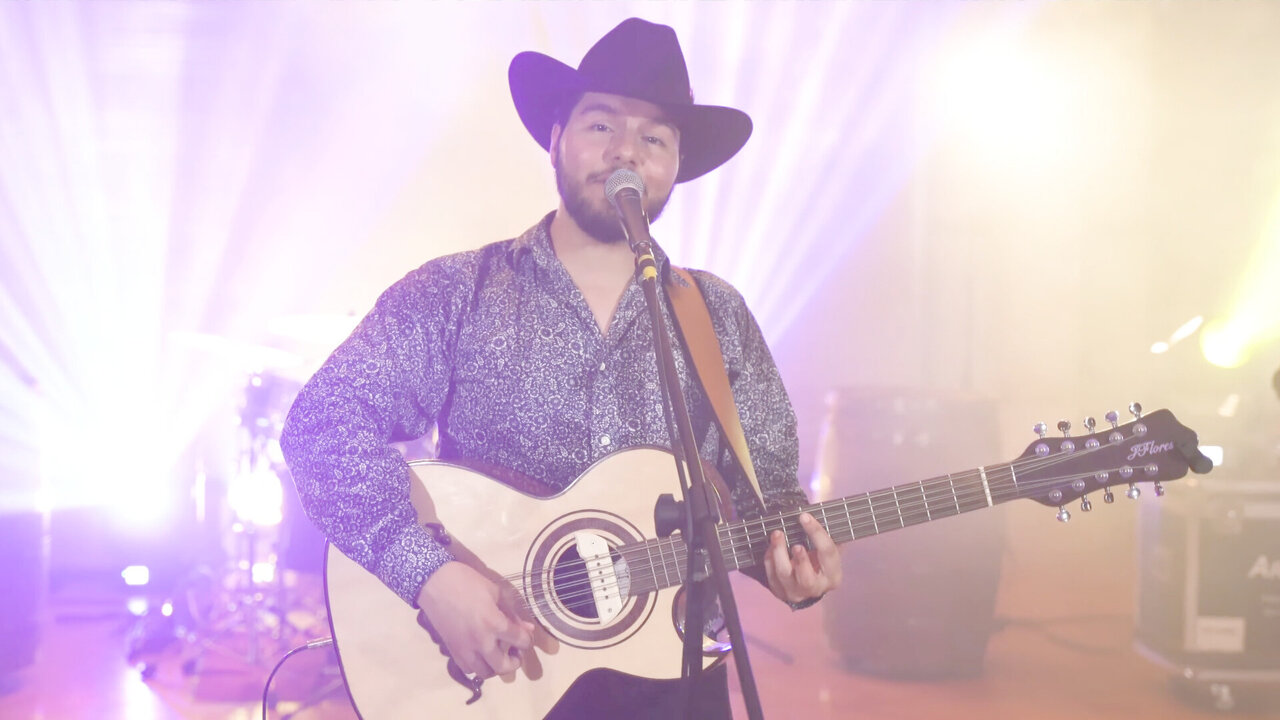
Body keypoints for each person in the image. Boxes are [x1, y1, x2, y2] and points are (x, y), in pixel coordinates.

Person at [281, 17, 840, 719]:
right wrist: (431, 576)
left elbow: (769, 494)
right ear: (556, 140)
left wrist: (793, 564)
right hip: (497, 681)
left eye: (654, 139)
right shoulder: (457, 293)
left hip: (674, 684)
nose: (626, 152)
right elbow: (321, 425)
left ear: (675, 166)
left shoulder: (717, 316)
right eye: (602, 125)